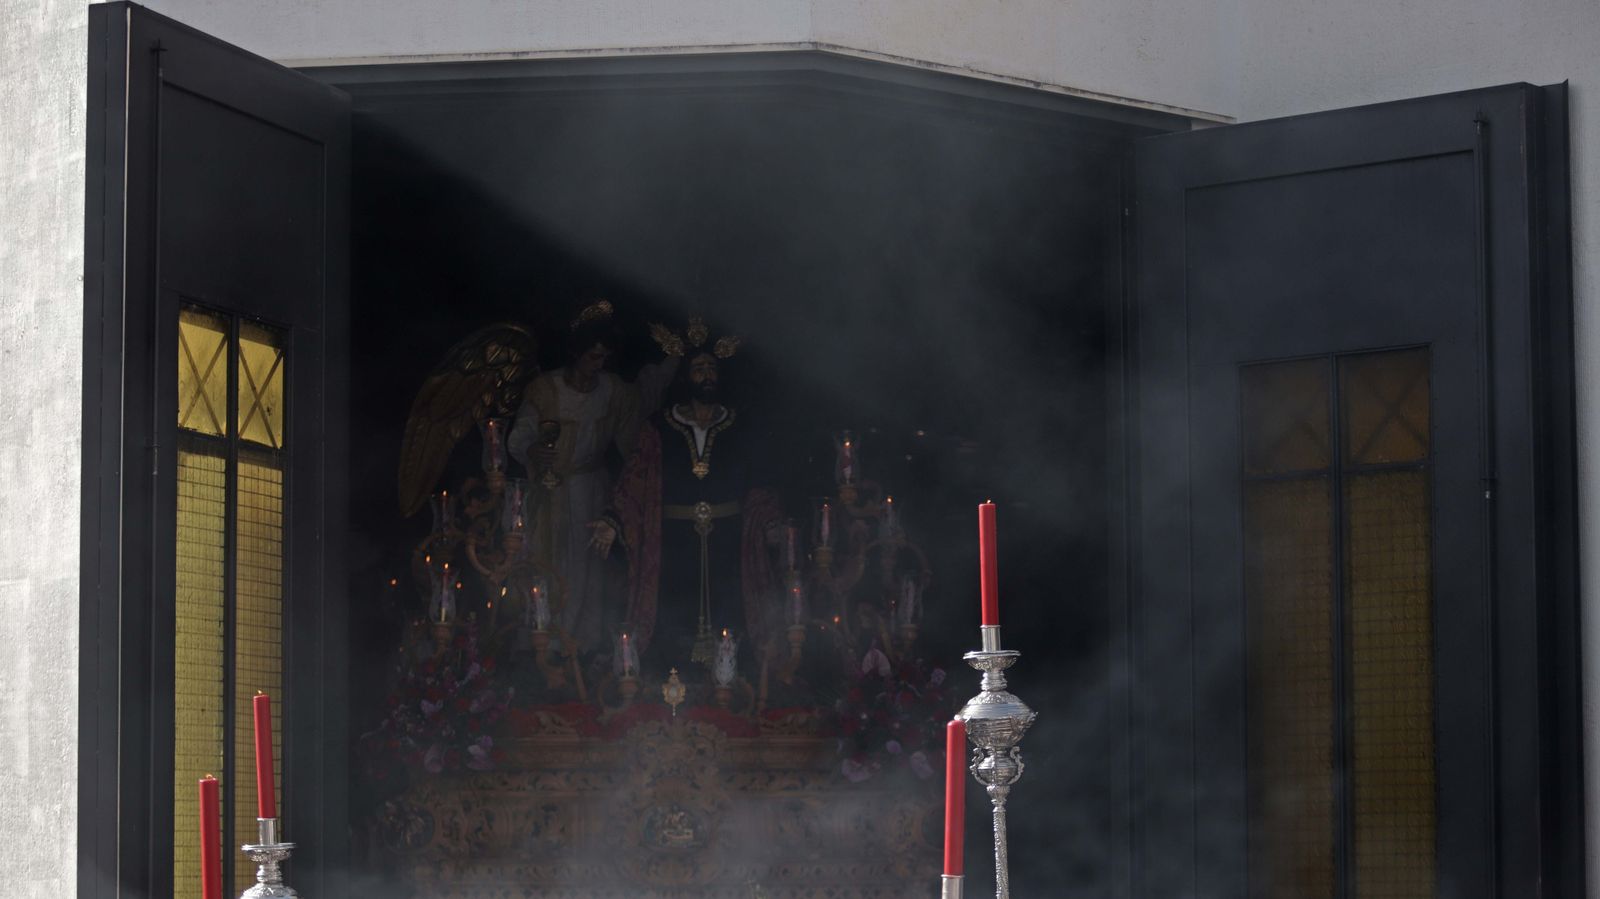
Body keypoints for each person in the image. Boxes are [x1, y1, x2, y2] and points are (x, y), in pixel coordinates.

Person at [591, 318, 783, 675]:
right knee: (672, 607)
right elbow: (634, 479)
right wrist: (611, 520)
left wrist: (768, 519)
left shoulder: (738, 425)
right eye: (699, 368)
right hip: (674, 541)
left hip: (728, 537)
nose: (707, 374)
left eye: (712, 367)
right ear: (685, 376)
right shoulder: (660, 427)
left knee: (729, 605)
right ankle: (670, 680)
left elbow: (758, 480)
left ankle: (730, 683)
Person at [506, 301, 676, 653]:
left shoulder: (612, 390)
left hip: (591, 490)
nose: (597, 365)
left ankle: (579, 648)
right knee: (550, 564)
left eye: (602, 358)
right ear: (575, 353)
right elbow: (519, 436)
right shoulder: (545, 389)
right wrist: (533, 450)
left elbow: (633, 437)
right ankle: (544, 648)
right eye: (591, 357)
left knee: (587, 569)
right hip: (549, 492)